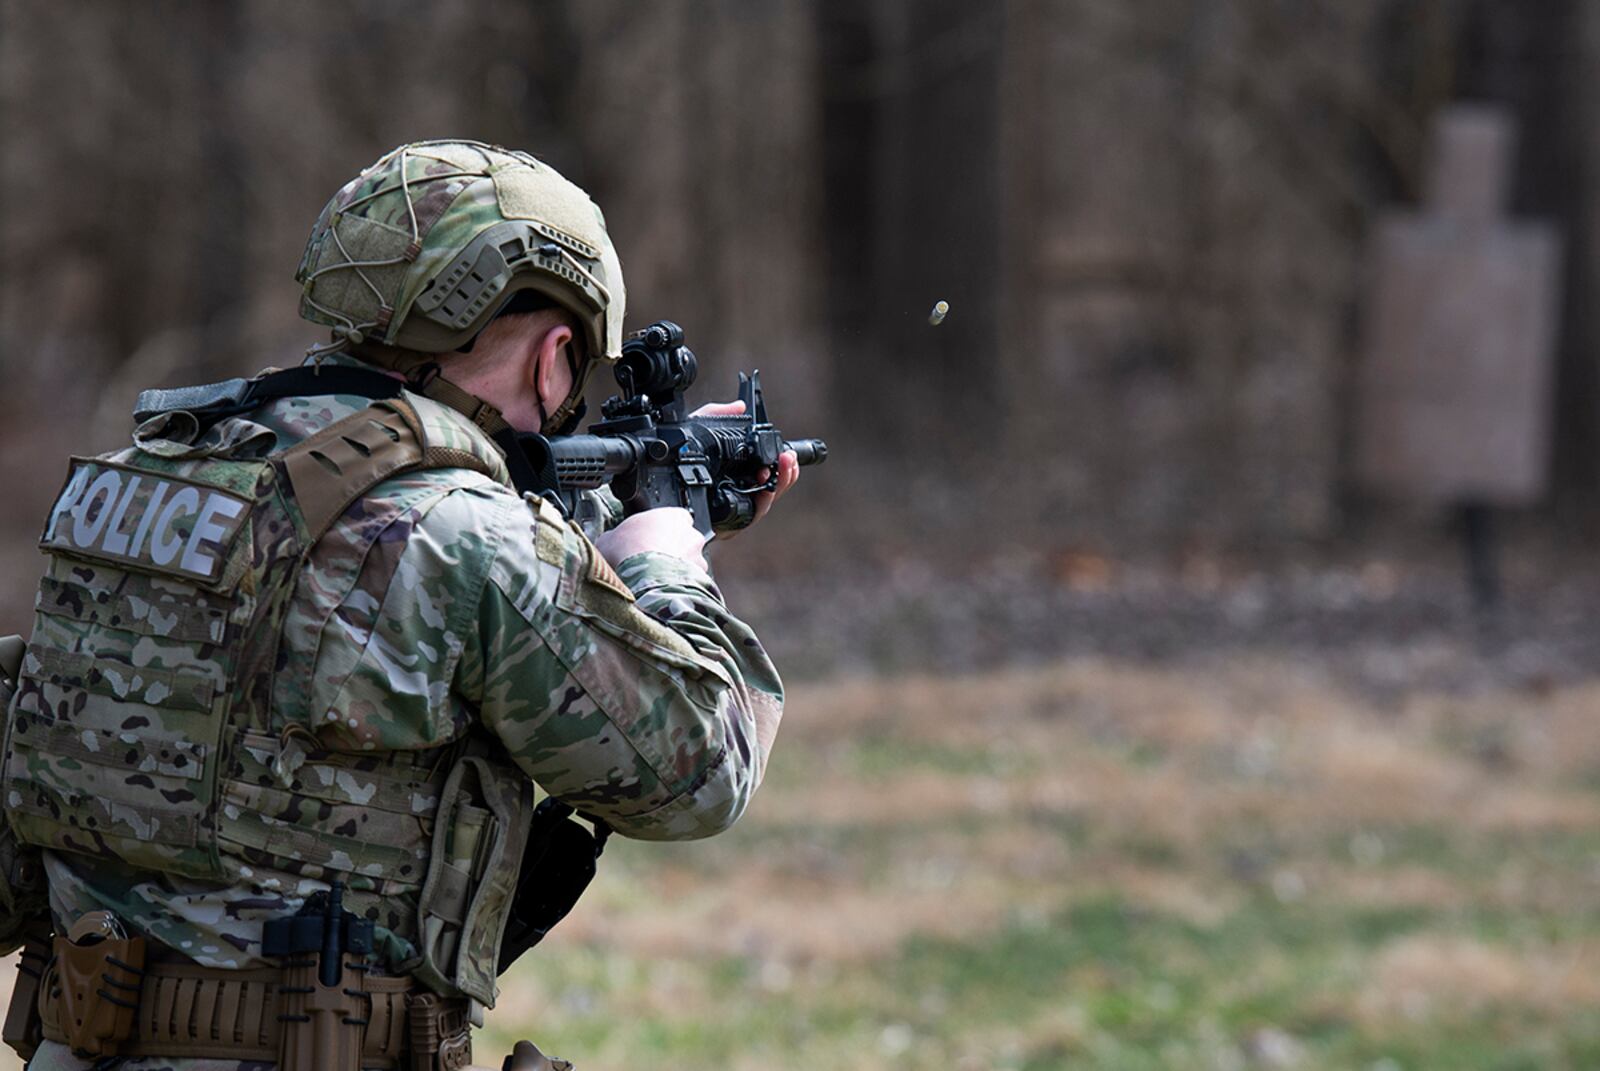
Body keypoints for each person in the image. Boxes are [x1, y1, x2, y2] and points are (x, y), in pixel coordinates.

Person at [0, 140, 798, 1071]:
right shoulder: (467, 535)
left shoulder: (136, 479)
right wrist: (668, 560)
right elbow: (701, 772)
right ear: (554, 358)